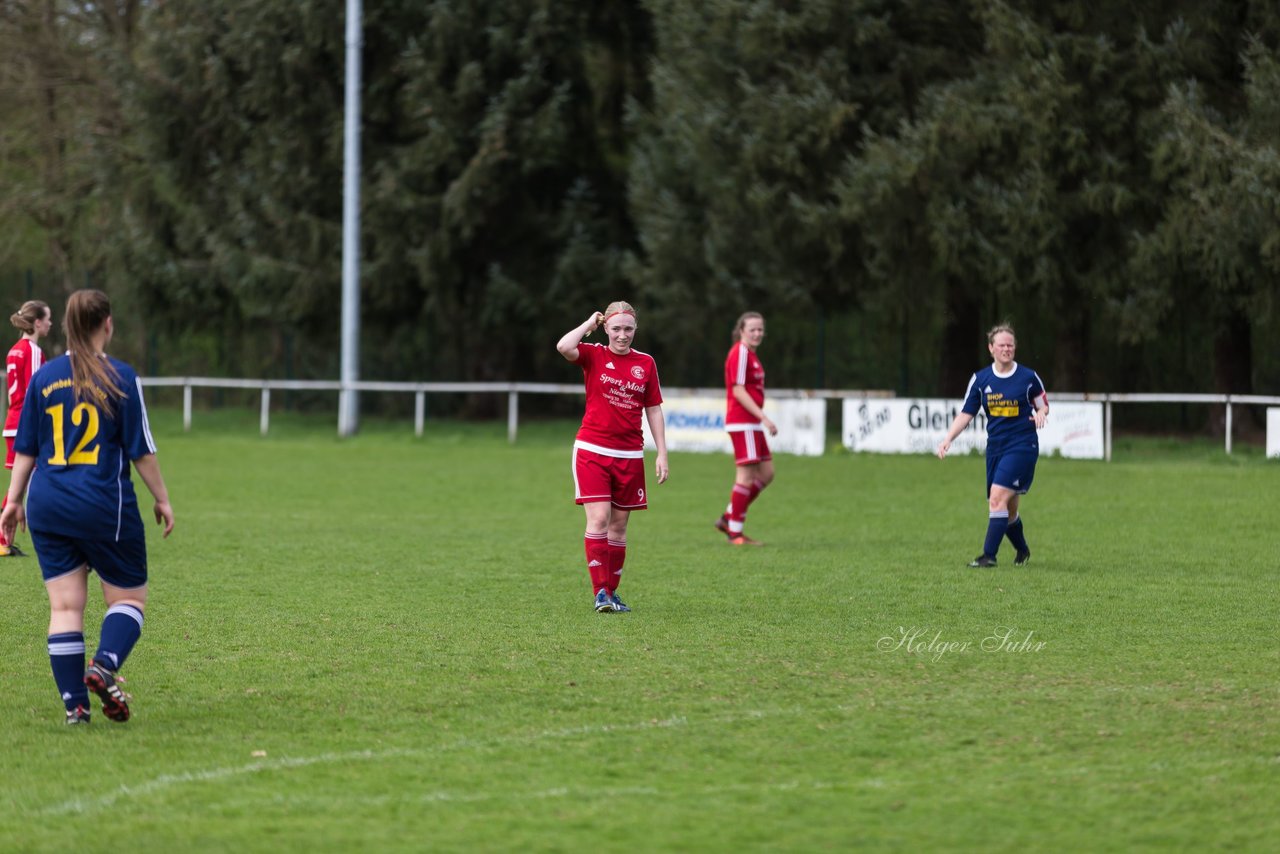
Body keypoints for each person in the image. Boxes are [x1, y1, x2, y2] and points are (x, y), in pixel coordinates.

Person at [0, 289, 174, 725]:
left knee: (64, 607)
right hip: (101, 504)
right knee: (129, 597)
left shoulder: (46, 378)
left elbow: (27, 448)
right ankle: (104, 664)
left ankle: (75, 705)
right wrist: (162, 498)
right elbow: (142, 452)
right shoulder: (121, 377)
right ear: (107, 324)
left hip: (47, 504)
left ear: (66, 327)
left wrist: (12, 501)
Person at [557, 301, 669, 613]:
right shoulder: (594, 354)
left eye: (628, 329)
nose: (622, 335)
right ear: (606, 328)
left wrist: (662, 453)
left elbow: (654, 408)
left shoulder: (645, 363)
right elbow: (564, 346)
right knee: (599, 519)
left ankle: (611, 592)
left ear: (636, 330)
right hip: (592, 449)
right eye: (616, 328)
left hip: (630, 454)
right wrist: (588, 324)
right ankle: (600, 594)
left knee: (619, 527)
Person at [936, 323, 1048, 568]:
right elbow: (966, 413)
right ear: (991, 348)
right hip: (996, 448)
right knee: (1008, 511)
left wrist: (1041, 413)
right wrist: (948, 439)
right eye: (1002, 345)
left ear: (1015, 348)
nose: (1007, 349)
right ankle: (1022, 550)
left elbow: (1042, 404)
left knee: (996, 498)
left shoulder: (1029, 377)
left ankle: (988, 556)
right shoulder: (980, 379)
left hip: (1023, 445)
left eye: (1010, 345)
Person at [714, 311, 777, 546]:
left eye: (761, 329)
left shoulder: (750, 355)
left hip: (751, 423)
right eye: (753, 329)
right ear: (741, 331)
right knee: (746, 476)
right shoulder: (740, 352)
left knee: (767, 473)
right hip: (744, 421)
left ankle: (728, 518)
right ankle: (735, 533)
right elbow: (738, 390)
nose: (758, 333)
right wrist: (764, 417)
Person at [3, 299, 53, 557]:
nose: (50, 324)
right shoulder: (33, 351)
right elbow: (37, 392)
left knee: (19, 485)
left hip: (13, 422)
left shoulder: (14, 350)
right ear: (37, 322)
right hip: (26, 425)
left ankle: (3, 539)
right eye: (48, 319)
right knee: (23, 485)